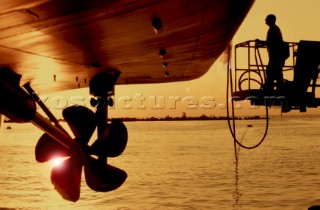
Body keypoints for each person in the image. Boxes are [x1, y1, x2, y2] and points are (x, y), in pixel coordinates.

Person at [256, 14, 285, 93]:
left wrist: (261, 42)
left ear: (270, 20)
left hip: (276, 56)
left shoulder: (273, 29)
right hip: (275, 56)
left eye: (267, 19)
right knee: (275, 72)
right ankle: (275, 87)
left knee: (272, 71)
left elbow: (272, 42)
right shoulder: (274, 29)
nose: (265, 20)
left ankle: (271, 88)